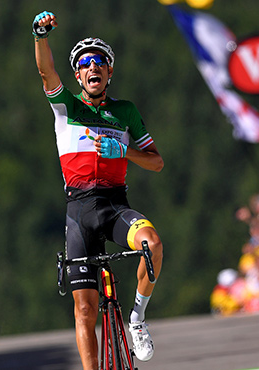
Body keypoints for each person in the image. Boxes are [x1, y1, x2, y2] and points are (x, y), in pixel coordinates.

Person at [32, 11, 164, 370]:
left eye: (100, 62)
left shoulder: (124, 112)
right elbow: (46, 74)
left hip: (115, 206)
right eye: (85, 63)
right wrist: (41, 37)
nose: (93, 67)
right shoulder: (67, 108)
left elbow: (156, 162)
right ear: (78, 75)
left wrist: (125, 150)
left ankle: (136, 320)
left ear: (108, 72)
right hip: (78, 212)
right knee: (85, 309)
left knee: (152, 246)